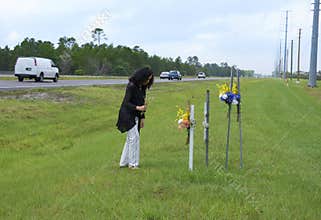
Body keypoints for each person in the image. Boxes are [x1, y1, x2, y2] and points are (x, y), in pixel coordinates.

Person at [116, 67, 154, 169]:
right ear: (142, 77)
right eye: (147, 79)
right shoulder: (131, 86)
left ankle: (123, 162)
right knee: (134, 138)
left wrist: (142, 117)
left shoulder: (142, 88)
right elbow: (126, 103)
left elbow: (142, 104)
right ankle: (133, 164)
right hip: (126, 114)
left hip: (136, 115)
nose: (148, 81)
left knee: (131, 139)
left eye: (150, 79)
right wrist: (138, 107)